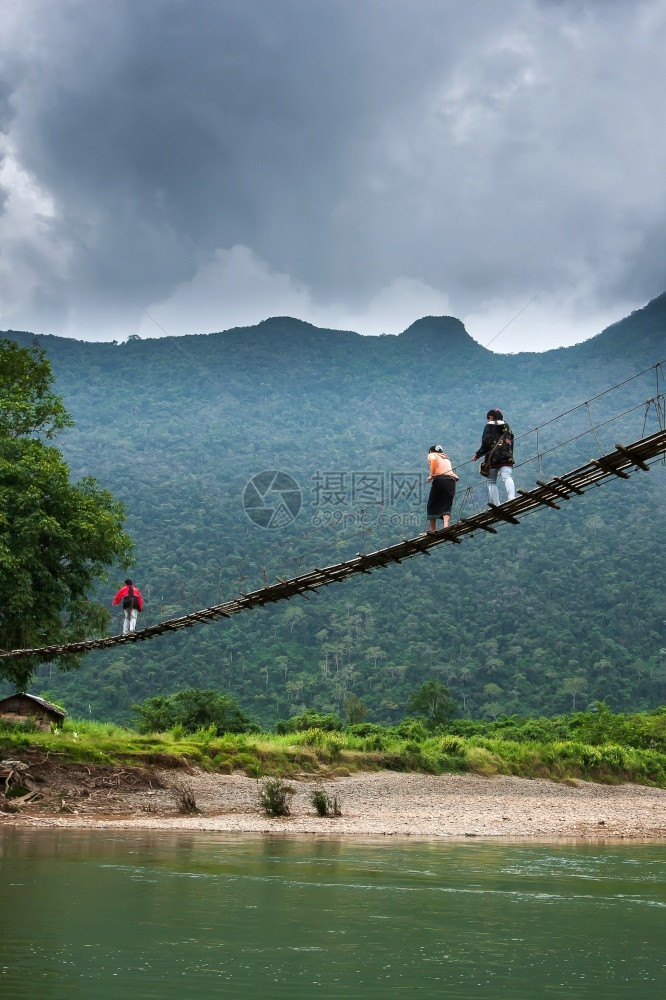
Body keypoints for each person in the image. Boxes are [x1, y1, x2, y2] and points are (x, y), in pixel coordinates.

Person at [472, 408, 516, 506]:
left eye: (488, 418)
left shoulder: (489, 426)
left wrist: (478, 455)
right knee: (507, 477)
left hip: (493, 459)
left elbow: (486, 442)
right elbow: (511, 440)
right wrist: (510, 455)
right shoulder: (507, 426)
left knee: (491, 482)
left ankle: (497, 504)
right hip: (507, 457)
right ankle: (511, 497)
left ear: (490, 417)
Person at [426, 445, 459, 533]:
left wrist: (432, 475)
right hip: (451, 481)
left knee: (432, 503)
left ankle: (432, 529)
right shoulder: (446, 458)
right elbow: (452, 474)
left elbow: (433, 460)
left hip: (440, 480)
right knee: (447, 504)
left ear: (430, 451)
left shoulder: (432, 455)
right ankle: (445, 526)